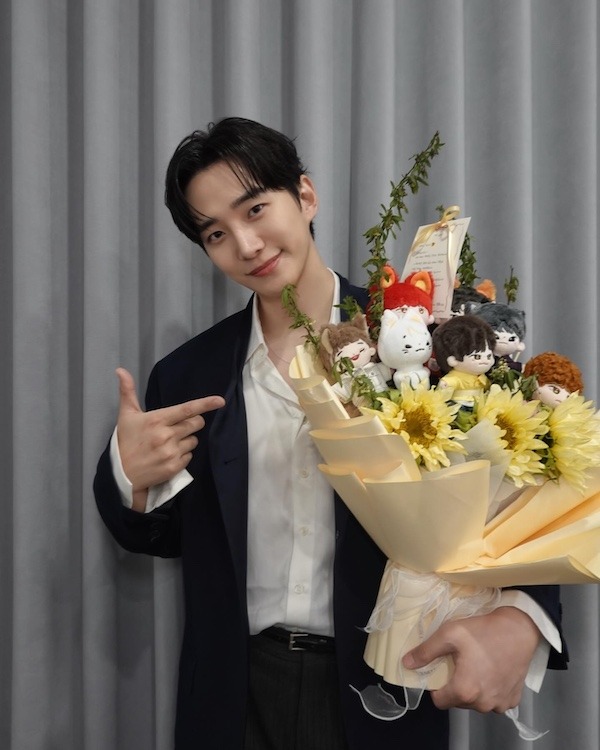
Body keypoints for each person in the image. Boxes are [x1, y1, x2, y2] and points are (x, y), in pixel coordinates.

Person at [94, 117, 567, 750]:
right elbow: (164, 536)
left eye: (256, 209)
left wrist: (524, 616)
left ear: (305, 195)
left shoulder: (425, 337)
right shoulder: (187, 375)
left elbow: (520, 491)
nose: (247, 244)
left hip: (384, 687)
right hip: (234, 695)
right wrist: (126, 475)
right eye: (216, 233)